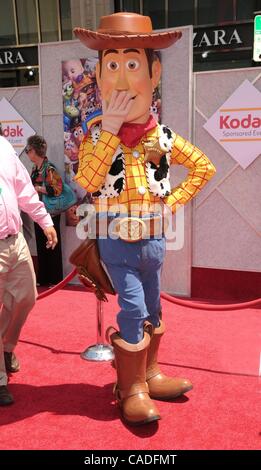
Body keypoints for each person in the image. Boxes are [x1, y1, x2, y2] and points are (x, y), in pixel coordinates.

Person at [74, 12, 216, 425]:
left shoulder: (163, 136)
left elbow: (204, 168)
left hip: (155, 241)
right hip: (116, 240)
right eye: (112, 66)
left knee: (153, 307)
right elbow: (88, 179)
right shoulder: (96, 136)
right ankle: (129, 386)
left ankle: (149, 373)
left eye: (132, 65)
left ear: (153, 74)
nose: (121, 80)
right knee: (132, 308)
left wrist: (171, 202)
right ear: (100, 77)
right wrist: (113, 126)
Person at [0, 130, 58, 406]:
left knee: (26, 297)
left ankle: (6, 348)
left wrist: (45, 221)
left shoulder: (4, 147)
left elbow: (24, 189)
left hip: (15, 240)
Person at [26, 135, 63, 286]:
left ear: (34, 151)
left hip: (51, 211)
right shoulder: (35, 168)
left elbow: (57, 189)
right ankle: (43, 278)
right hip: (39, 210)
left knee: (52, 244)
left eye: (28, 150)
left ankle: (55, 279)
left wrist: (38, 188)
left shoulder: (50, 168)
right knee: (41, 244)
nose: (27, 153)